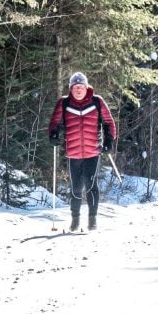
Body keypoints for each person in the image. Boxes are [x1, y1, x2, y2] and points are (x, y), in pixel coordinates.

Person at [48, 72, 116, 232]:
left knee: (91, 185)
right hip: (73, 153)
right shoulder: (64, 103)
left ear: (87, 87)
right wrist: (53, 135)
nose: (78, 90)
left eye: (81, 87)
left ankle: (92, 220)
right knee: (76, 187)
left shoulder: (97, 102)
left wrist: (109, 140)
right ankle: (75, 220)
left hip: (93, 152)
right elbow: (54, 122)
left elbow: (109, 122)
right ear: (71, 89)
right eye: (75, 87)